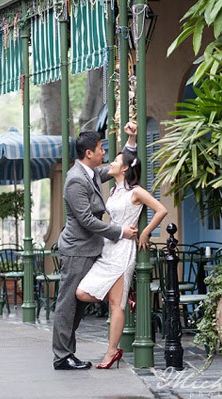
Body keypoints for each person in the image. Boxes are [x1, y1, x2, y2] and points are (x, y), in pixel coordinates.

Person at [52, 122, 138, 370]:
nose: (104, 152)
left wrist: (130, 142)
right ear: (88, 153)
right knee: (68, 304)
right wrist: (120, 231)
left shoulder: (90, 174)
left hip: (90, 249)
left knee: (77, 305)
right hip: (77, 249)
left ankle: (68, 353)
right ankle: (61, 356)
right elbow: (87, 220)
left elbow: (116, 168)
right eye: (101, 148)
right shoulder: (75, 180)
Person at [76, 149, 168, 369]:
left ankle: (111, 352)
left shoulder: (135, 192)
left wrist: (145, 233)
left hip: (124, 250)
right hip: (109, 246)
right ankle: (127, 299)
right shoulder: (115, 190)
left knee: (116, 306)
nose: (111, 164)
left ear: (125, 168)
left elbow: (161, 209)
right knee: (82, 293)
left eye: (116, 161)